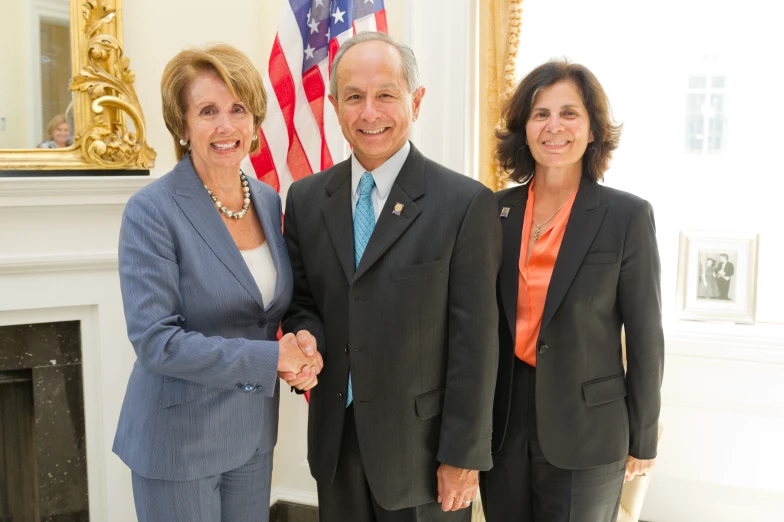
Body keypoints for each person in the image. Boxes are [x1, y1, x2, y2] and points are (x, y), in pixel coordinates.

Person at [279, 31, 501, 521]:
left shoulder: (464, 205)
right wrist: (304, 340)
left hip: (423, 457)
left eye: (385, 95)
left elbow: (476, 343)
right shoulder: (306, 200)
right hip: (336, 445)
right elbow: (303, 303)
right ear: (335, 106)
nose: (369, 113)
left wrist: (462, 457)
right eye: (354, 97)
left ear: (416, 101)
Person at [112, 44, 322, 521]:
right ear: (183, 126)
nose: (226, 126)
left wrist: (297, 343)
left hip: (250, 436)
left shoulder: (268, 201)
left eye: (238, 109)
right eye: (208, 111)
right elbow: (157, 342)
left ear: (254, 119)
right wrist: (274, 358)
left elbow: (263, 308)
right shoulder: (153, 211)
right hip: (177, 443)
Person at [480, 59, 664, 522]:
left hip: (588, 429)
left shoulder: (627, 216)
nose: (553, 127)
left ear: (592, 128)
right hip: (501, 424)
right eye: (540, 114)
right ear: (523, 128)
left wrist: (643, 437)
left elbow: (645, 338)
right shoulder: (491, 211)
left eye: (569, 113)